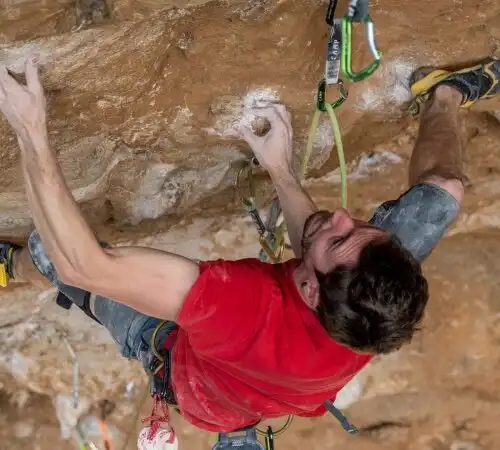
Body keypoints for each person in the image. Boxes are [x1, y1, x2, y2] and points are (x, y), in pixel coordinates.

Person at [0, 57, 497, 434]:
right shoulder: (377, 303)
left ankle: (11, 266)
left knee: (56, 255)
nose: (343, 215)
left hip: (189, 376)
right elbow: (330, 247)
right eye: (364, 228)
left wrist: (31, 128)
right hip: (282, 378)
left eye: (340, 236)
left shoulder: (240, 308)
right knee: (444, 191)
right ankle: (444, 94)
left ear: (308, 289)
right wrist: (279, 168)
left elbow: (87, 265)